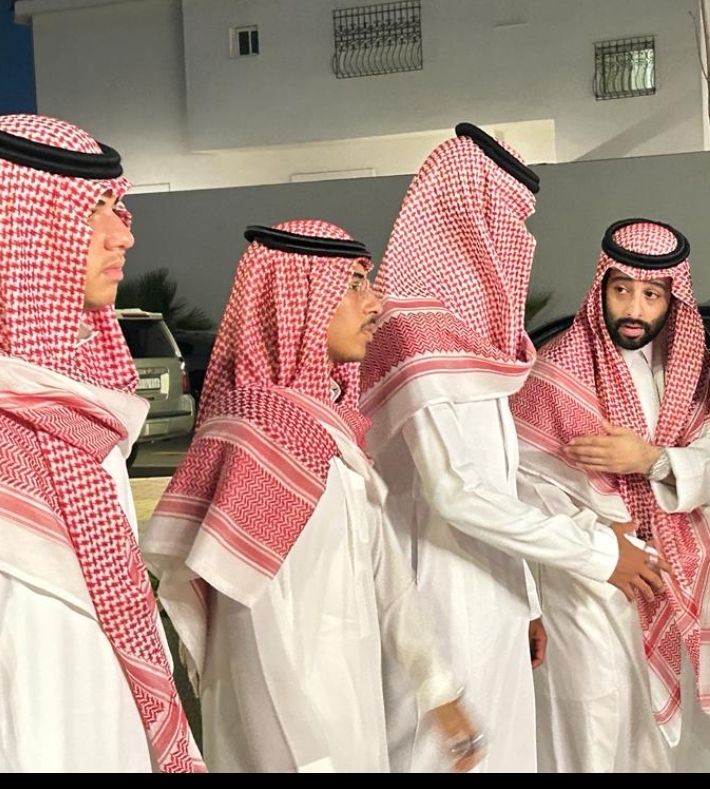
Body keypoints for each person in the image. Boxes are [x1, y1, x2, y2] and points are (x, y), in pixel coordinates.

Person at [358, 124, 665, 773]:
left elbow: (500, 480)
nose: (520, 240)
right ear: (465, 218)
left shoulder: (472, 342)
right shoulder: (413, 336)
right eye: (509, 219)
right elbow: (458, 493)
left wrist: (525, 599)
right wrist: (597, 551)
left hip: (493, 595)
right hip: (436, 602)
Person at [142, 221, 481, 773]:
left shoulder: (331, 435)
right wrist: (308, 762)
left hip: (350, 711)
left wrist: (438, 690)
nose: (375, 304)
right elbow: (254, 639)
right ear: (296, 301)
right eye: (353, 284)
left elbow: (386, 576)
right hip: (281, 740)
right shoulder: (257, 441)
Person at [0, 114, 204, 772]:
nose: (123, 233)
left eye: (117, 207)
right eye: (92, 210)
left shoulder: (80, 415)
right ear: (22, 233)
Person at [509, 218, 710, 772]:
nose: (634, 308)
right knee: (602, 728)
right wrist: (604, 544)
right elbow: (527, 486)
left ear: (672, 300)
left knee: (696, 740)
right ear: (601, 287)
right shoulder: (555, 374)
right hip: (594, 585)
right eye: (622, 290)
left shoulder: (689, 368)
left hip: (680, 571)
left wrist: (654, 460)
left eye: (652, 295)